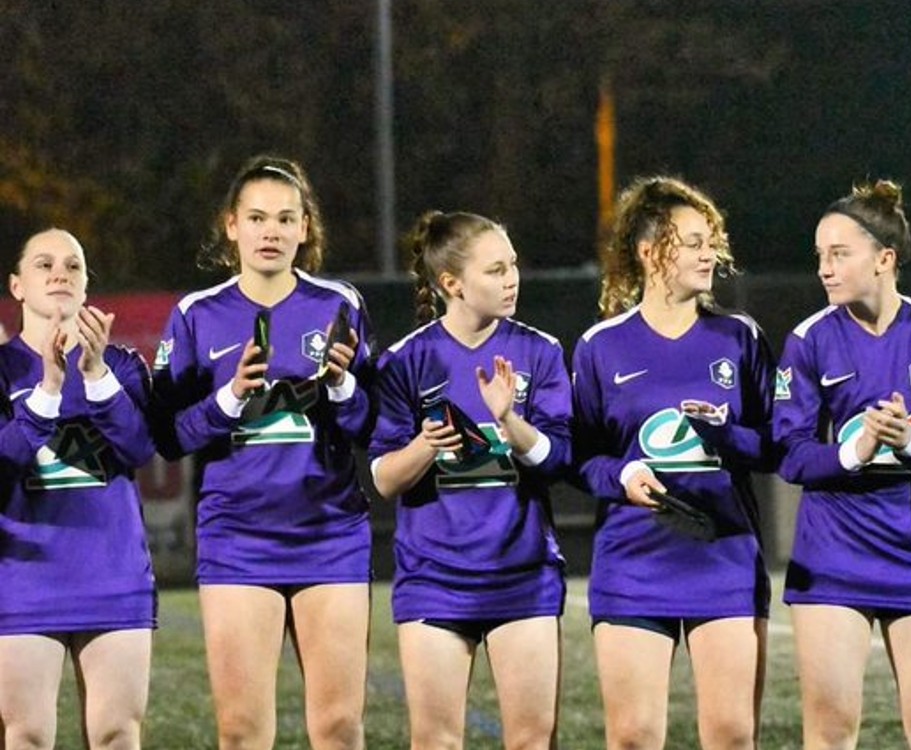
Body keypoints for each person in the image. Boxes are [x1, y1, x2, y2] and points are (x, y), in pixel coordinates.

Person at [150, 156, 373, 750]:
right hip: (238, 536)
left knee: (339, 727)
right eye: (256, 217)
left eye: (284, 218)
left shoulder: (340, 305)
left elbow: (370, 425)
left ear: (305, 228)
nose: (270, 231)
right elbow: (167, 436)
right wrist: (228, 399)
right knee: (243, 731)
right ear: (231, 226)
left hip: (330, 530)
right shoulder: (198, 315)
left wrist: (341, 386)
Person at [773, 180, 911, 750]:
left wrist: (909, 439)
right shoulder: (809, 339)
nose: (824, 269)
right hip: (833, 555)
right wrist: (852, 451)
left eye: (839, 254)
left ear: (884, 259)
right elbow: (790, 453)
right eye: (819, 256)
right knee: (832, 729)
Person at [572, 176, 774, 750]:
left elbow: (775, 448)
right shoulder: (600, 346)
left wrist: (724, 432)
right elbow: (581, 456)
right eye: (691, 241)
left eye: (711, 239)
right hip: (634, 561)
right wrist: (622, 477)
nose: (709, 251)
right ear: (648, 250)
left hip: (725, 555)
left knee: (733, 735)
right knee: (634, 737)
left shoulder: (740, 338)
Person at [369, 211, 572, 750]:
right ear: (451, 285)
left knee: (532, 740)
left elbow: (560, 462)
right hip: (434, 576)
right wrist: (426, 445)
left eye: (513, 266)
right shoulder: (405, 361)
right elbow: (384, 479)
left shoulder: (541, 352)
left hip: (522, 574)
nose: (512, 280)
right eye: (496, 270)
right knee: (435, 740)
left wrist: (510, 422)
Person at [0, 228, 156, 749]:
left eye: (73, 265)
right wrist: (46, 389)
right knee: (27, 736)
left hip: (113, 574)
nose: (60, 273)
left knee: (116, 735)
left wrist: (94, 376)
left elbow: (139, 449)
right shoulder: (2, 370)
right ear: (17, 286)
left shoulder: (124, 366)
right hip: (22, 580)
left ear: (87, 286)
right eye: (44, 265)